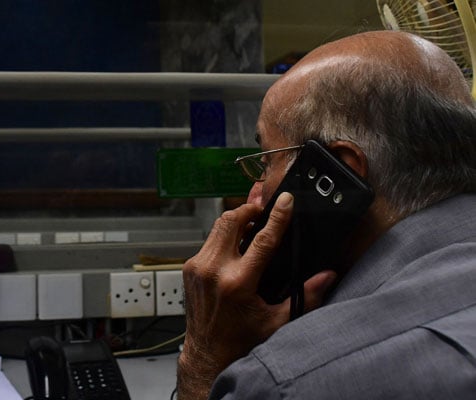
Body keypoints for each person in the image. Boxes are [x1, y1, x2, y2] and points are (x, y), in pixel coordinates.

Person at [177, 30, 476, 399]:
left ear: (340, 173)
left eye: (267, 162)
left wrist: (203, 358)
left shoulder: (289, 380)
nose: (255, 195)